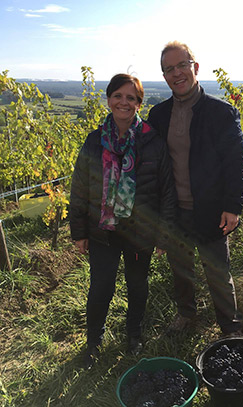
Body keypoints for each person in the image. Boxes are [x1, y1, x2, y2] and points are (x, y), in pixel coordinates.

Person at [70, 73, 175, 368]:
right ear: (109, 99)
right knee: (101, 286)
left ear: (139, 103)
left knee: (137, 285)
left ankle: (133, 336)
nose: (123, 102)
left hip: (141, 231)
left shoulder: (153, 142)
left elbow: (166, 191)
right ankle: (93, 343)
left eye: (131, 97)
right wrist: (79, 231)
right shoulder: (94, 141)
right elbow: (79, 187)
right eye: (118, 95)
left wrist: (164, 234)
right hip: (103, 230)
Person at [148, 41, 243, 336]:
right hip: (175, 211)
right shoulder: (159, 115)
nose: (176, 73)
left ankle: (230, 327)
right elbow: (153, 166)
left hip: (211, 209)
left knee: (217, 272)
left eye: (181, 65)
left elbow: (234, 162)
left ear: (195, 67)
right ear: (164, 76)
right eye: (169, 69)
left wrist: (233, 205)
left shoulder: (221, 113)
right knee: (181, 271)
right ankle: (186, 316)